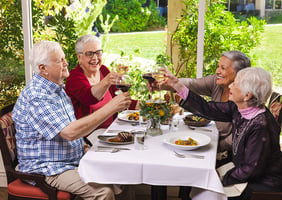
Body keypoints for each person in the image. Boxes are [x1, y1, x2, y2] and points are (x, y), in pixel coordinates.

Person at [12, 40, 133, 200]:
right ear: (43, 68)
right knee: (103, 191)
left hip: (71, 160)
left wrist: (83, 147)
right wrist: (111, 107)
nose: (66, 63)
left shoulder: (58, 89)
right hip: (48, 169)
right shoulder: (37, 97)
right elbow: (70, 132)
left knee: (122, 173)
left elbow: (69, 127)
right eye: (60, 60)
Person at [161, 67, 282, 200]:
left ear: (247, 96)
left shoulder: (261, 126)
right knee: (198, 182)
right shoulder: (239, 108)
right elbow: (207, 108)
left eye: (235, 84)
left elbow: (251, 169)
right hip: (241, 170)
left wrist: (222, 179)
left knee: (203, 191)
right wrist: (177, 85)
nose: (230, 86)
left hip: (259, 184)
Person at [150, 51, 251, 200]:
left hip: (225, 156)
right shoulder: (216, 83)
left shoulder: (246, 99)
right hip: (208, 145)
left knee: (182, 157)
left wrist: (212, 145)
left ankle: (187, 195)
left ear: (240, 74)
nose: (217, 71)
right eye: (218, 66)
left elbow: (238, 139)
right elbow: (192, 86)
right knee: (165, 159)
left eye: (223, 68)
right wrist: (167, 84)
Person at [65, 34, 137, 143]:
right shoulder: (74, 78)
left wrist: (147, 107)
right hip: (89, 137)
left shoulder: (103, 70)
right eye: (89, 54)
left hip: (112, 131)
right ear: (79, 57)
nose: (95, 58)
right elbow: (89, 97)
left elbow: (119, 98)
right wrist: (107, 81)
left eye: (98, 53)